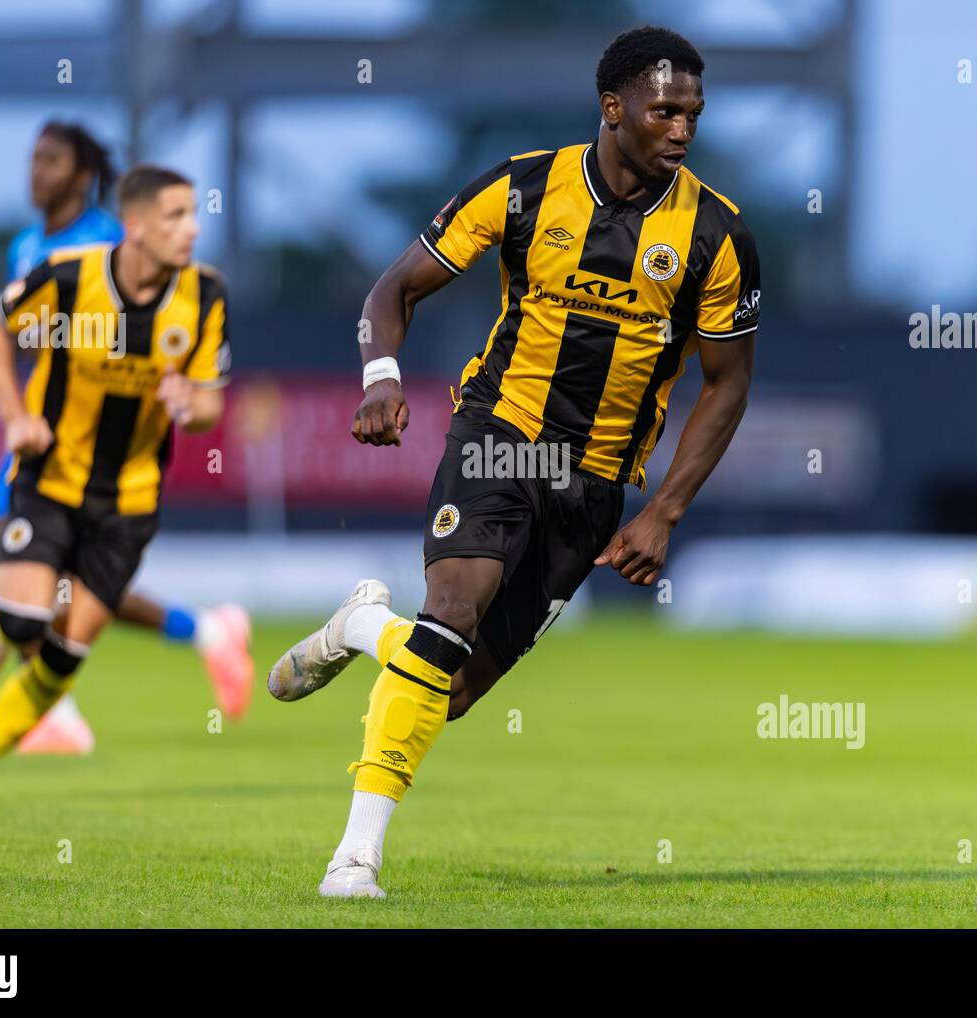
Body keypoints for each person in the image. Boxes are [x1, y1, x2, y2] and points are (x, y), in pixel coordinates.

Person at [268, 25, 760, 897]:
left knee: (445, 688)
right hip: (500, 432)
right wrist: (381, 376)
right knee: (452, 607)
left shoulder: (717, 237)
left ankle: (360, 629)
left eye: (693, 112)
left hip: (598, 482)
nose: (682, 129)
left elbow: (725, 386)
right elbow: (394, 288)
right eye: (664, 110)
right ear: (613, 109)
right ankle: (355, 859)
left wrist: (665, 510)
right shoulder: (523, 187)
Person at [0, 165, 241, 803]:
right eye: (176, 216)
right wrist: (15, 417)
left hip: (131, 502)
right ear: (134, 226)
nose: (193, 229)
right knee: (28, 617)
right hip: (51, 477)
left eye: (195, 214)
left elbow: (214, 400)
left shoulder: (206, 294)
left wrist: (192, 399)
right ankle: (0, 626)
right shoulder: (69, 279)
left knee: (64, 652)